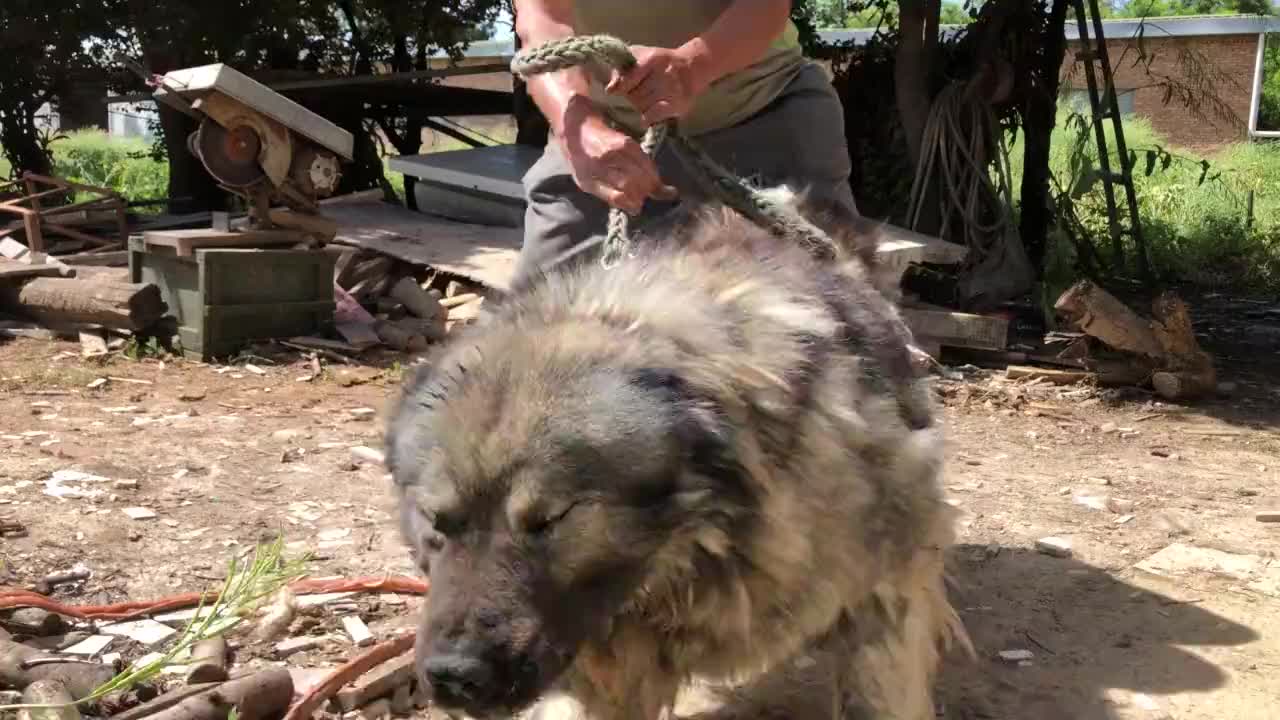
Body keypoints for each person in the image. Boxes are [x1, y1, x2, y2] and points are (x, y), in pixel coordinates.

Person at [512, 0, 860, 285]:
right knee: (534, 326)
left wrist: (692, 67)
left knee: (839, 304)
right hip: (606, 149)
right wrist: (578, 127)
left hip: (766, 119)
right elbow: (541, 19)